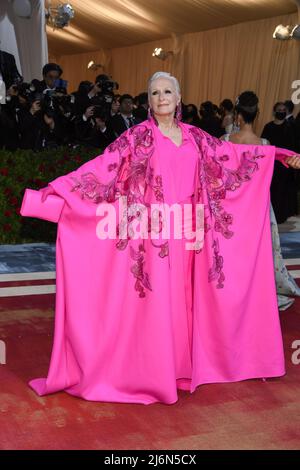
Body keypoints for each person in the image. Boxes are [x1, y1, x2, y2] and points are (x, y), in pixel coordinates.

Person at [20, 72, 300, 405]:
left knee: (189, 301)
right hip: (155, 240)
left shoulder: (197, 137)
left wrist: (280, 155)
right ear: (149, 101)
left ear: (179, 98)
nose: (162, 97)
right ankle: (158, 371)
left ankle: (188, 367)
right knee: (160, 306)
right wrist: (57, 194)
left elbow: (232, 159)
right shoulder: (137, 137)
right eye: (155, 93)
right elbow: (103, 168)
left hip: (191, 237)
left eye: (168, 91)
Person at [221, 91, 300, 310]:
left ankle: (232, 295)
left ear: (237, 114)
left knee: (232, 254)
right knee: (255, 255)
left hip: (231, 208)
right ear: (257, 114)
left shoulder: (225, 142)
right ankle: (255, 293)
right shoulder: (265, 144)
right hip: (256, 210)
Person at [261, 102, 298, 223]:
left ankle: (281, 217)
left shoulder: (290, 127)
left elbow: (293, 147)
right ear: (274, 111)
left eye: (283, 110)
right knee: (271, 191)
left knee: (283, 192)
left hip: (285, 166)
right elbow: (264, 147)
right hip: (271, 166)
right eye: (279, 109)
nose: (281, 112)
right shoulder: (268, 127)